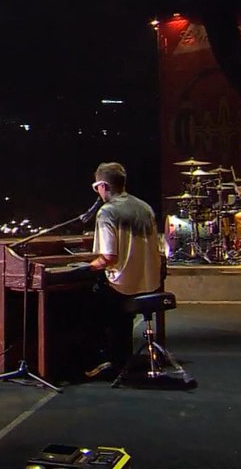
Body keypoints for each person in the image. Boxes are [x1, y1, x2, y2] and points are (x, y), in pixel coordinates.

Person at [85, 162, 165, 378]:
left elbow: (109, 257)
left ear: (103, 185)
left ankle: (107, 360)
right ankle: (120, 357)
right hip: (149, 283)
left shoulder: (107, 212)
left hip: (123, 287)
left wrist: (86, 268)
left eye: (96, 187)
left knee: (84, 301)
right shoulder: (145, 207)